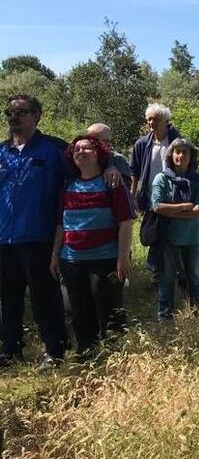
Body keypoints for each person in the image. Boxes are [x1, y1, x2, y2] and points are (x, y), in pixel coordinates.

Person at [0, 95, 71, 370]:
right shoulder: (2, 151)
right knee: (10, 296)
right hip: (5, 238)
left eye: (22, 112)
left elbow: (87, 162)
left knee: (44, 296)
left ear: (37, 116)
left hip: (39, 236)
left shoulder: (54, 149)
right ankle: (11, 349)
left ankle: (54, 350)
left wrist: (112, 167)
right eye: (10, 112)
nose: (14, 117)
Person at [49, 135, 134, 356]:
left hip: (105, 258)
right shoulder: (68, 187)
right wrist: (55, 255)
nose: (80, 152)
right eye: (76, 150)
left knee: (109, 310)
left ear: (98, 154)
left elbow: (125, 222)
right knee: (78, 310)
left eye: (86, 149)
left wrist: (123, 257)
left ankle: (116, 355)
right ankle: (86, 352)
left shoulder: (112, 183)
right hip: (72, 259)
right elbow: (61, 224)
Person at [151, 138, 199, 320]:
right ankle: (165, 318)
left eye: (185, 152)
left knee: (195, 278)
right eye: (177, 151)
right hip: (169, 238)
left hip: (193, 238)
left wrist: (172, 211)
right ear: (171, 155)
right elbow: (158, 207)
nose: (180, 155)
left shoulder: (198, 181)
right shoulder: (162, 178)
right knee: (167, 279)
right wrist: (184, 206)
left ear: (191, 157)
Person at [130, 103, 180, 285]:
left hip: (174, 199)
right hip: (151, 199)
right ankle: (158, 276)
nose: (151, 122)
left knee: (173, 237)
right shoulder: (142, 144)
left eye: (156, 119)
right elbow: (134, 172)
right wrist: (133, 197)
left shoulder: (178, 142)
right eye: (149, 119)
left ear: (166, 121)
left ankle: (173, 276)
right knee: (153, 236)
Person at [86, 123, 133, 190]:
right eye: (89, 139)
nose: (91, 143)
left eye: (107, 141)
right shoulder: (81, 157)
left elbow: (126, 188)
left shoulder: (117, 160)